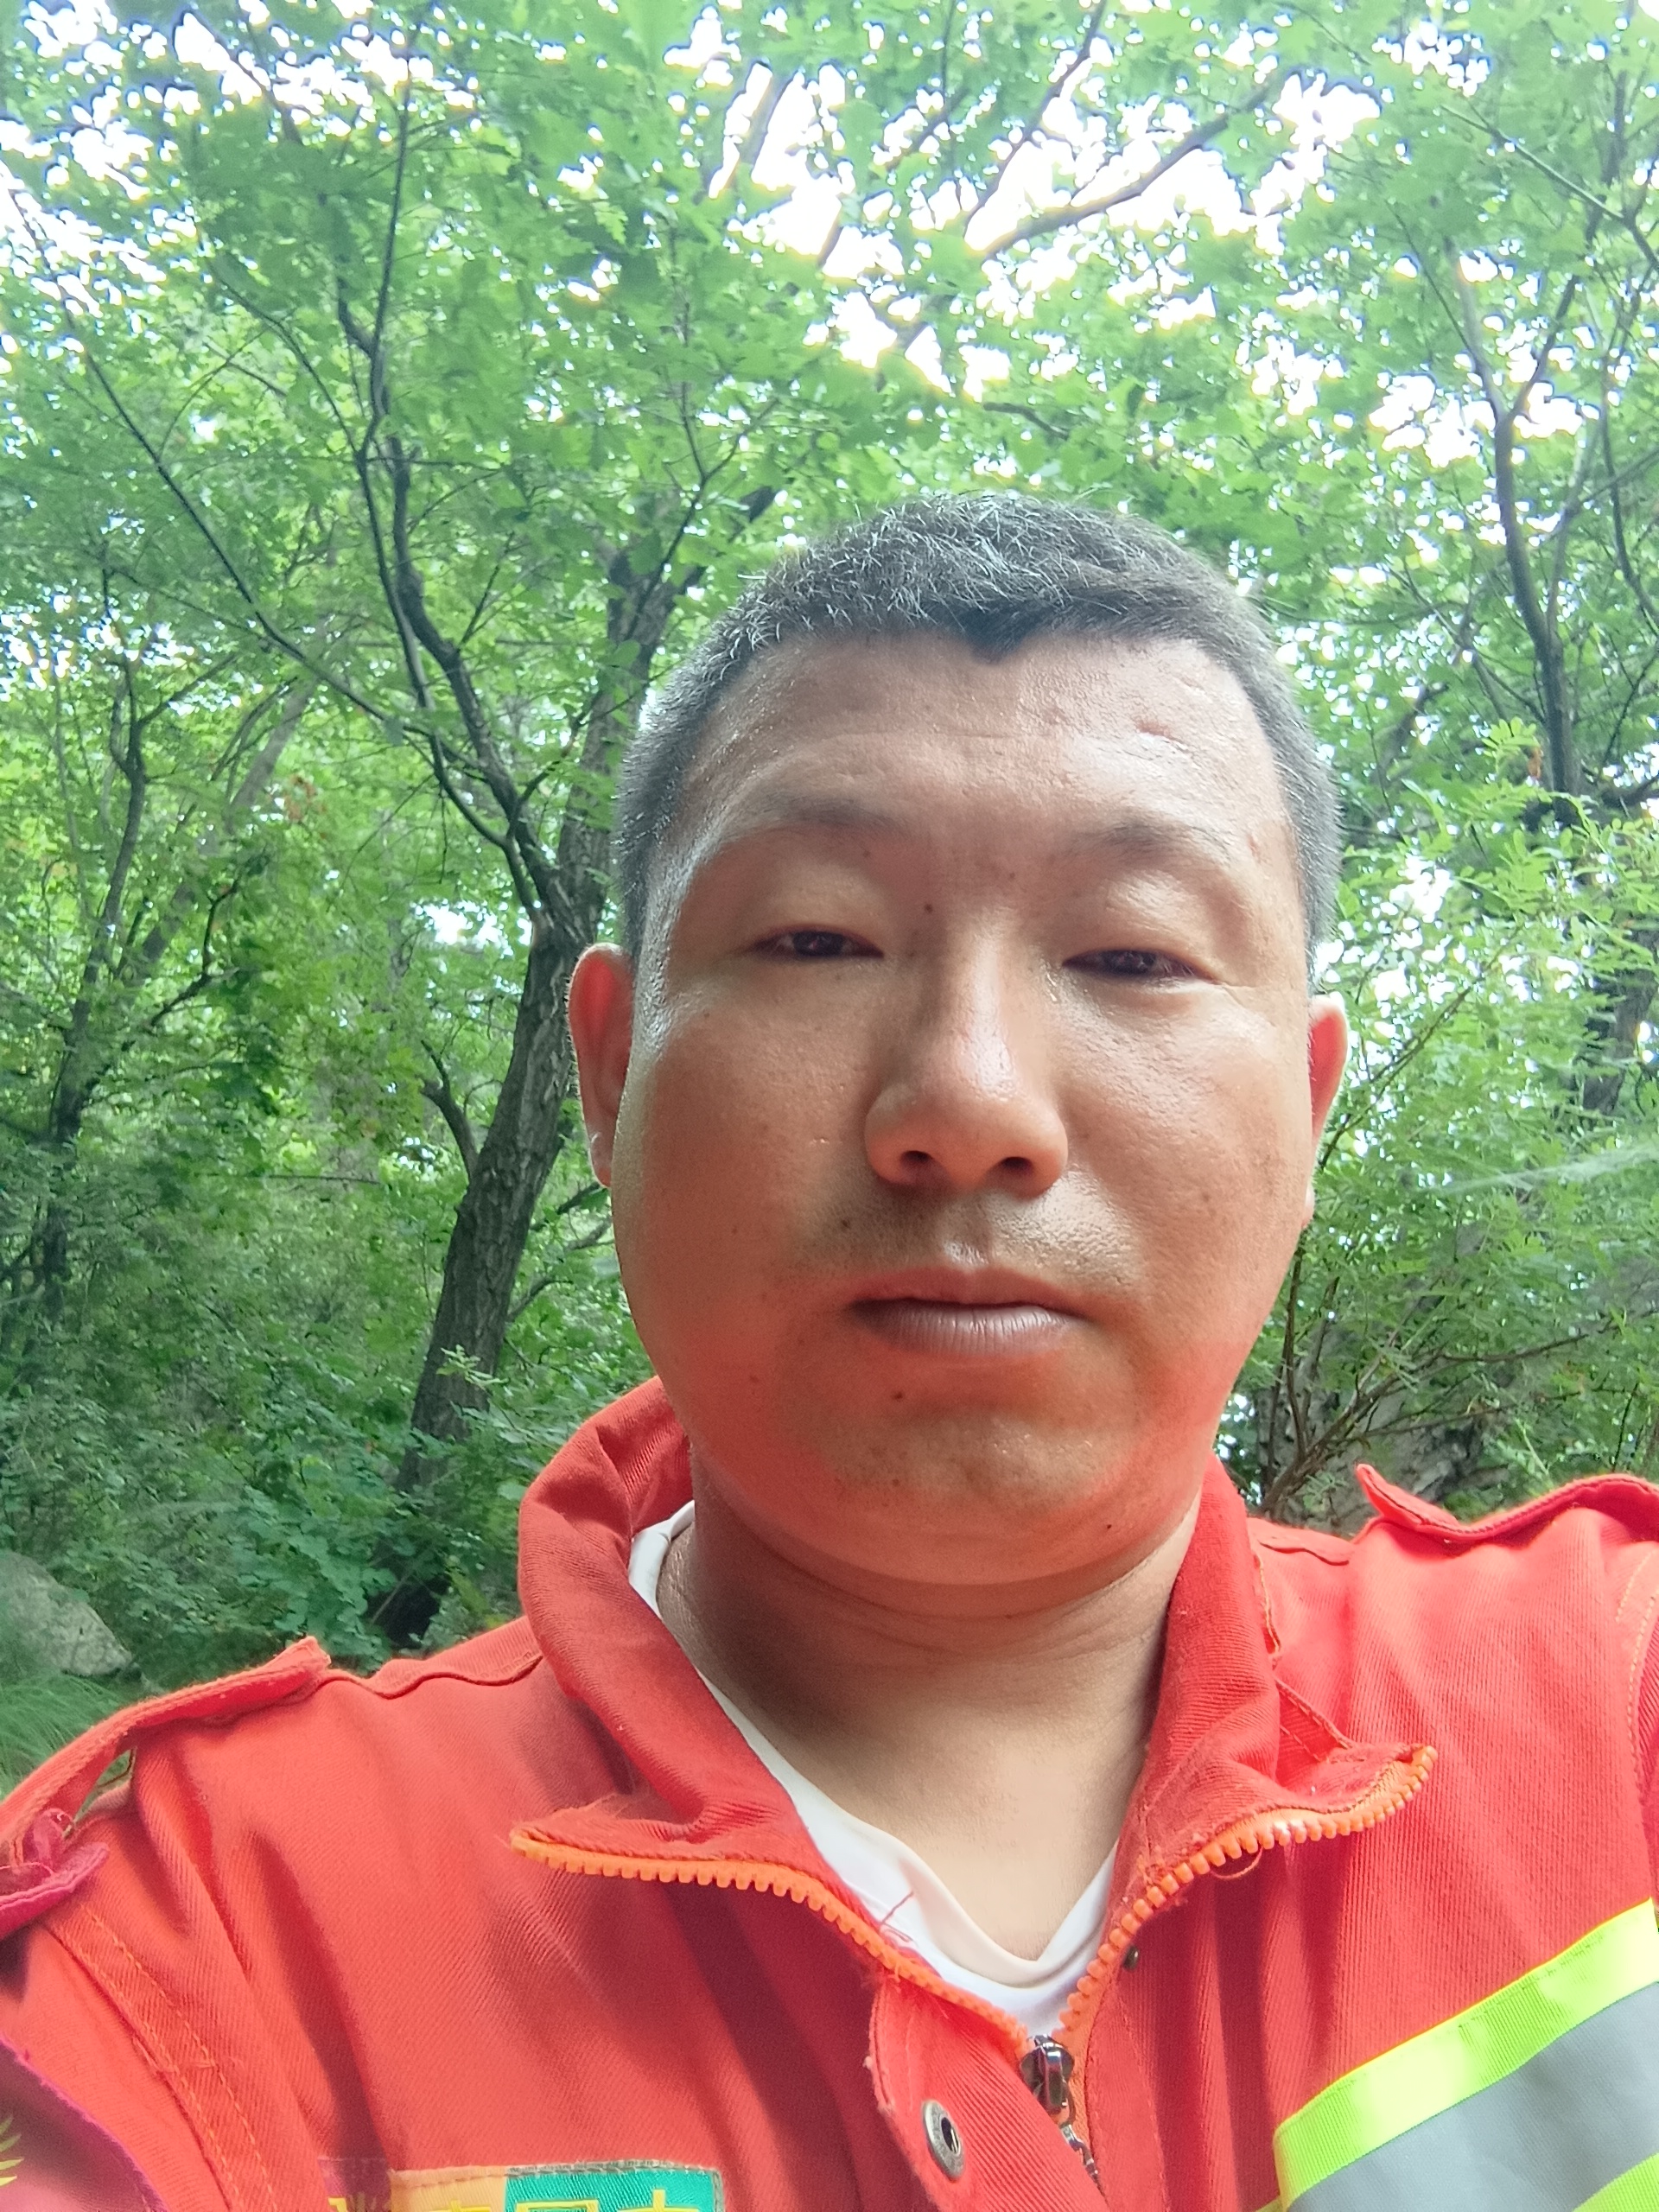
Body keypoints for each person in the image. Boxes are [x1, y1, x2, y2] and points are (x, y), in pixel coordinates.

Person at [0, 494, 1655, 2212]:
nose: (971, 1101)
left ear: (1306, 1117)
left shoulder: (1614, 1705)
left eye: (1132, 953)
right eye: (815, 939)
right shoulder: (206, 1935)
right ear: (613, 1074)